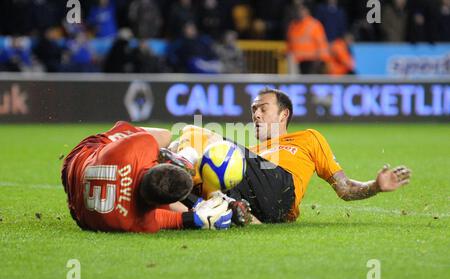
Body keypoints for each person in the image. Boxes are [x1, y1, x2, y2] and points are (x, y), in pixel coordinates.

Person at [173, 88, 412, 223]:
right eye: (253, 109)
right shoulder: (250, 156)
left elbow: (344, 188)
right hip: (265, 211)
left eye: (263, 108)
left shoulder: (307, 138)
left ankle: (186, 171)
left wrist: (375, 186)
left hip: (281, 188)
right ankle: (229, 214)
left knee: (195, 134)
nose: (256, 114)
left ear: (283, 115)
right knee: (184, 186)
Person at [61, 121, 234, 233]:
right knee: (172, 143)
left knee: (165, 135)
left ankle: (177, 155)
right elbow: (176, 219)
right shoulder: (136, 222)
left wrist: (197, 216)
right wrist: (198, 215)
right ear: (156, 205)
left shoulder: (139, 145)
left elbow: (175, 220)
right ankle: (179, 157)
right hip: (77, 201)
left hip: (78, 159)